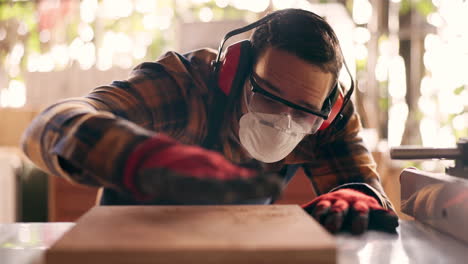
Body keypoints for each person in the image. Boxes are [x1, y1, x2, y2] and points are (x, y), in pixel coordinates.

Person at [21, 8, 398, 234]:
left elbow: (364, 191)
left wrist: (360, 195)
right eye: (267, 96)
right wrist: (135, 156)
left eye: (301, 112)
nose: (284, 122)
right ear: (233, 72)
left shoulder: (323, 114)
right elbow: (47, 127)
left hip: (229, 246)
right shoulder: (181, 86)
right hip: (130, 247)